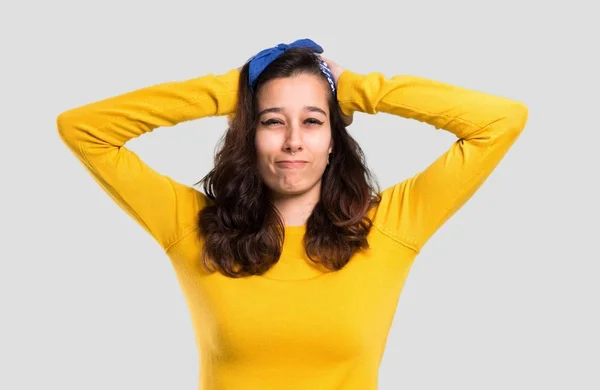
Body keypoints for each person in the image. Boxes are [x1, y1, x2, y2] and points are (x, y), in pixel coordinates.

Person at [57, 38, 528, 389]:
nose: (293, 141)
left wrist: (361, 89)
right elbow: (83, 129)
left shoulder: (390, 226)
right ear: (248, 133)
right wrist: (228, 92)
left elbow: (499, 122)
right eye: (271, 121)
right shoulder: (191, 225)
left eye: (312, 120)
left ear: (332, 139)